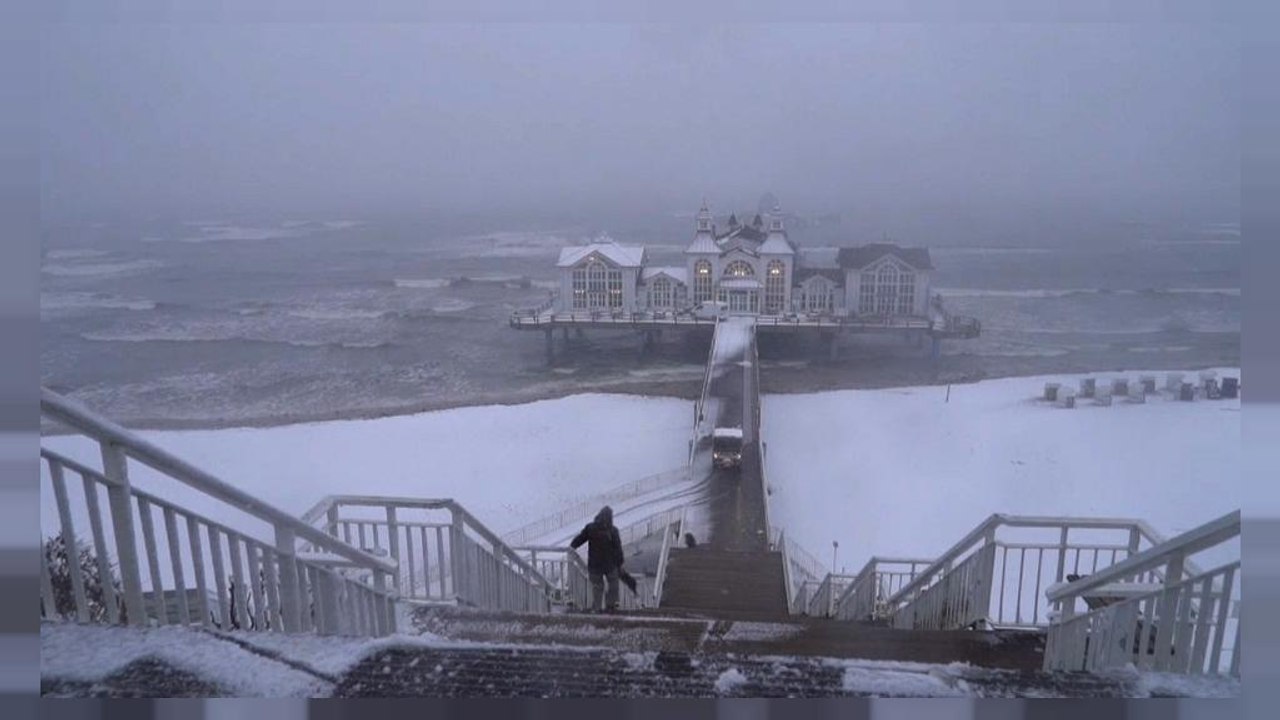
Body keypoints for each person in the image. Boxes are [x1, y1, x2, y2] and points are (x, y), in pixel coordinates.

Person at [570, 506, 624, 612]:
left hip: (594, 564)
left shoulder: (590, 528)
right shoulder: (613, 531)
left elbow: (580, 539)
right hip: (610, 564)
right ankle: (611, 605)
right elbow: (618, 548)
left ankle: (597, 607)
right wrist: (620, 563)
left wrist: (572, 547)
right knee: (613, 583)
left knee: (597, 587)